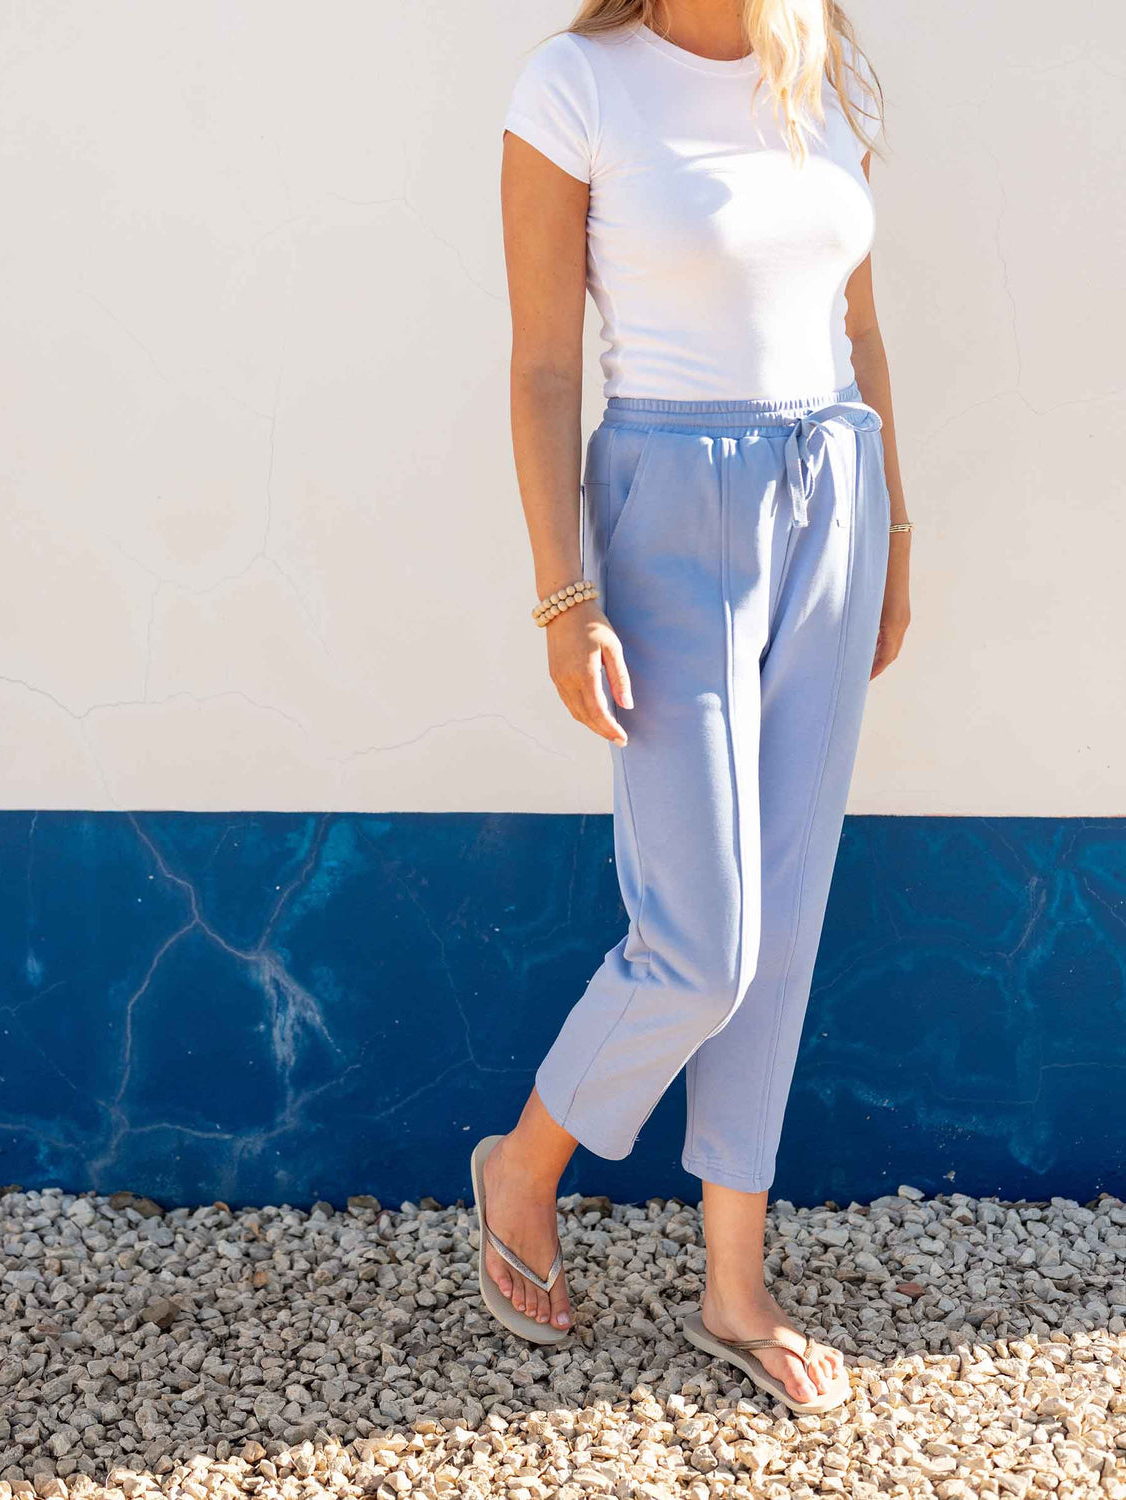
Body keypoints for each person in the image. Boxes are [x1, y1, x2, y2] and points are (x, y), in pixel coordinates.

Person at [473, 0, 911, 1414]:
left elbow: (860, 327)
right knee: (703, 942)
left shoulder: (819, 74)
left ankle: (735, 1283)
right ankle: (524, 1161)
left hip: (830, 491)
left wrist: (894, 535)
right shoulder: (576, 87)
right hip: (665, 502)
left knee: (783, 919)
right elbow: (544, 367)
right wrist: (565, 595)